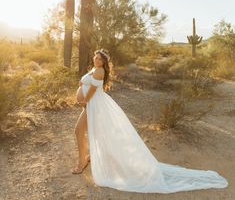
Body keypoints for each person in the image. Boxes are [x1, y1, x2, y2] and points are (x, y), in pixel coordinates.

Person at [71, 48, 229, 194]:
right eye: (95, 57)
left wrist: (84, 102)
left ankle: (82, 161)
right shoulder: (94, 69)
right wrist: (81, 85)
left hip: (93, 104)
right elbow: (87, 84)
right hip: (92, 104)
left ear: (104, 62)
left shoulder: (99, 71)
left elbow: (92, 91)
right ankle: (86, 157)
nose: (96, 59)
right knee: (91, 132)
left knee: (80, 130)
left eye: (99, 58)